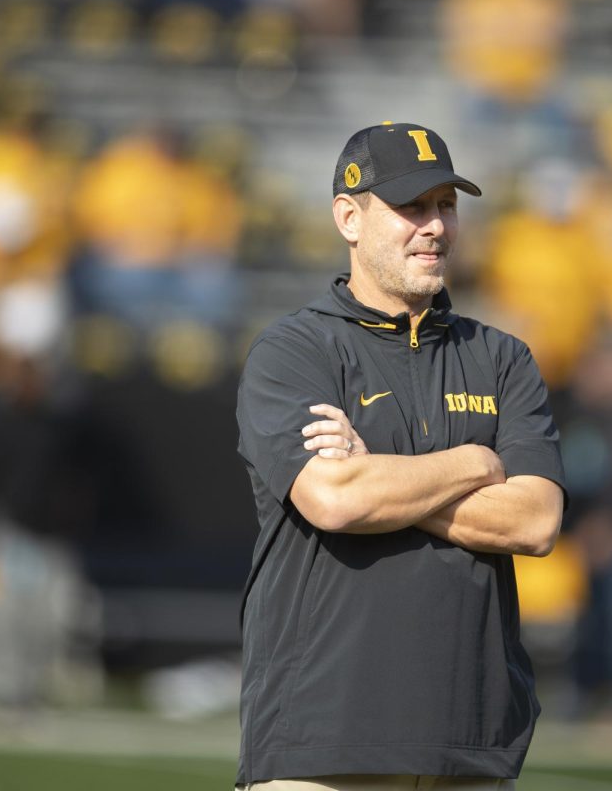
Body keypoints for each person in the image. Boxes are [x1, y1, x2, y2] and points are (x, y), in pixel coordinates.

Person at [235, 122, 567, 790]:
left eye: (446, 205)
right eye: (413, 206)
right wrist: (475, 462)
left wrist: (380, 477)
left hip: (468, 748)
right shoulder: (294, 352)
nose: (436, 226)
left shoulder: (503, 359)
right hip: (321, 746)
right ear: (348, 219)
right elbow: (335, 499)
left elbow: (534, 522)